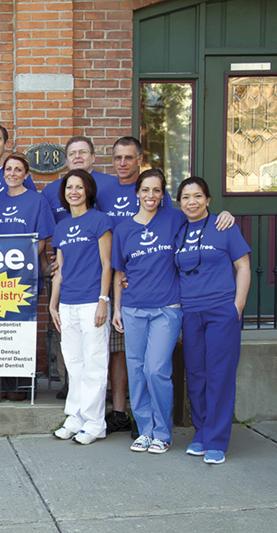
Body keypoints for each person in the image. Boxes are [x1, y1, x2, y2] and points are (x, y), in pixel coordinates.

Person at [174, 176, 250, 465]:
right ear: (179, 203)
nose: (191, 202)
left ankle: (217, 441)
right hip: (191, 312)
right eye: (185, 197)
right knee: (196, 375)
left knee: (219, 375)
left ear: (207, 200)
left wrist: (237, 307)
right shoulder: (178, 232)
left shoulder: (224, 226)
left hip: (221, 311)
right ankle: (202, 433)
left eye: (197, 196)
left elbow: (242, 266)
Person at [111, 169, 185, 454]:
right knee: (137, 370)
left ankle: (163, 432)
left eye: (157, 190)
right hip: (132, 308)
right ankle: (145, 430)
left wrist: (224, 214)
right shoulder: (124, 229)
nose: (151, 196)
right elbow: (119, 272)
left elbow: (202, 221)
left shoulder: (174, 219)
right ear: (137, 193)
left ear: (163, 194)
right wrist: (117, 308)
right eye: (145, 190)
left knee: (157, 370)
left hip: (166, 308)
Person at [49, 169, 112, 445]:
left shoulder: (100, 220)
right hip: (68, 304)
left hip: (91, 303)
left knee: (94, 364)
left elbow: (107, 264)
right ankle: (75, 418)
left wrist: (103, 300)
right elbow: (59, 270)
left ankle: (95, 423)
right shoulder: (61, 226)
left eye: (79, 187)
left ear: (88, 191)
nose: (73, 192)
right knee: (74, 365)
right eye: (69, 187)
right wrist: (53, 304)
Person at [0, 153, 56, 401]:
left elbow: (41, 240)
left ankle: (22, 386)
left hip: (24, 275)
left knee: (22, 329)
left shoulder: (36, 202)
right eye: (9, 169)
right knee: (0, 331)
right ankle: (2, 385)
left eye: (18, 170)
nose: (12, 173)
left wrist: (20, 262)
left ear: (26, 175)